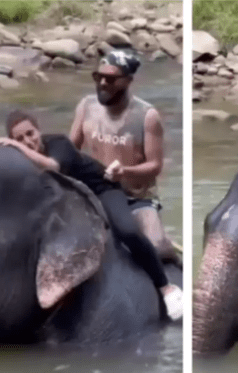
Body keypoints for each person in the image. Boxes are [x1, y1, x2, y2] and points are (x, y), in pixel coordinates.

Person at [0, 110, 183, 321]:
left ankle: (165, 288)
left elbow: (53, 167)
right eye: (19, 139)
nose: (27, 141)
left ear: (38, 131)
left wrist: (16, 148)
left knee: (127, 231)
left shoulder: (59, 144)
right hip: (68, 201)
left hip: (102, 190)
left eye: (30, 134)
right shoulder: (18, 159)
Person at [69, 50, 182, 267]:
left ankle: (172, 282)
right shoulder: (86, 107)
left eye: (110, 79)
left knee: (157, 247)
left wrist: (125, 172)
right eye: (98, 76)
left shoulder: (147, 116)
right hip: (93, 192)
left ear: (128, 81)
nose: (103, 83)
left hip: (136, 198)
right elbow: (70, 149)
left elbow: (155, 166)